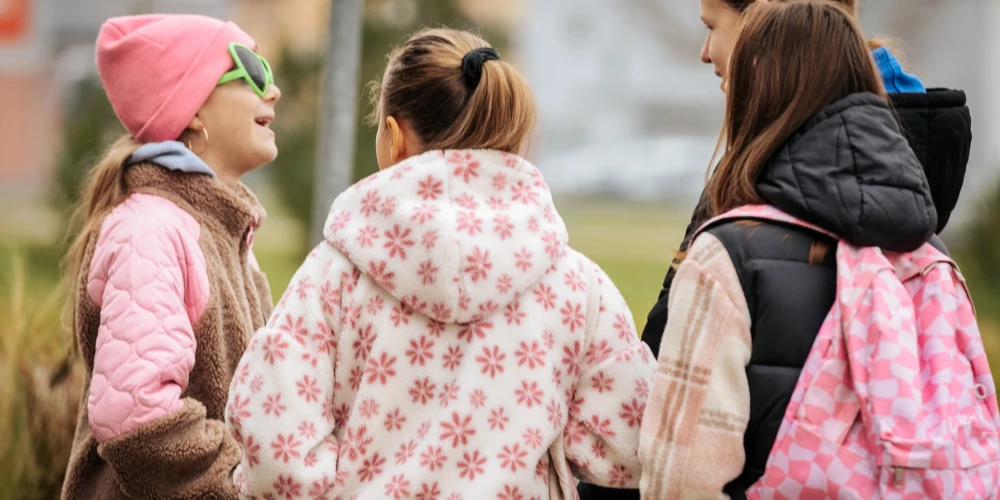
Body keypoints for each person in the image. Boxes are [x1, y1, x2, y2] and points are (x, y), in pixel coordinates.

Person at [225, 28, 656, 499]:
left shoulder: (333, 275)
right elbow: (626, 445)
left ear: (394, 137)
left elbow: (277, 450)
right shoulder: (576, 284)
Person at [638, 1, 944, 497]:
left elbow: (683, 477)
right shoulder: (928, 250)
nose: (706, 53)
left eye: (713, 27)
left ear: (763, 47)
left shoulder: (728, 253)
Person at [639, 0, 972, 367]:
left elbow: (668, 368)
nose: (705, 53)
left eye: (711, 26)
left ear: (766, 21)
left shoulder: (756, 188)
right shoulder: (910, 200)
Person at [61, 14, 281, 499]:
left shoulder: (226, 234)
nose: (274, 90)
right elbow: (138, 416)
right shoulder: (150, 232)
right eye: (252, 71)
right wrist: (243, 484)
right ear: (194, 108)